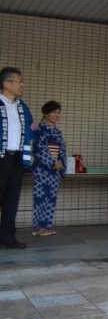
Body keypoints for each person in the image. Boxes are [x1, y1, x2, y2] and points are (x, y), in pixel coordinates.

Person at [0, 67, 33, 249]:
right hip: (1, 157)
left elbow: (30, 128)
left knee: (12, 199)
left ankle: (7, 236)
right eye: (19, 81)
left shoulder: (22, 106)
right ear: (6, 84)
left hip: (16, 159)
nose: (22, 85)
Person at [31, 101, 67, 236]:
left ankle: (47, 226)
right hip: (43, 169)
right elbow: (38, 150)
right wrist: (53, 162)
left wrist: (61, 164)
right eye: (54, 112)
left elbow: (62, 150)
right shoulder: (39, 130)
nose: (57, 115)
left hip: (55, 170)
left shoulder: (58, 132)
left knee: (51, 197)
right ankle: (37, 227)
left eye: (58, 112)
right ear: (46, 114)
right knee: (40, 197)